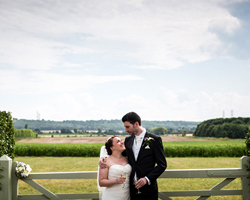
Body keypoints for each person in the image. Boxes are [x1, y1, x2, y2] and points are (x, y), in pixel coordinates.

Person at [100, 111, 167, 200]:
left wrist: (146, 179)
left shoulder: (155, 140)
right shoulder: (128, 140)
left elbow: (162, 165)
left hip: (148, 191)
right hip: (131, 191)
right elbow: (118, 155)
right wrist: (104, 159)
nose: (126, 130)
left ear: (136, 124)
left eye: (127, 127)